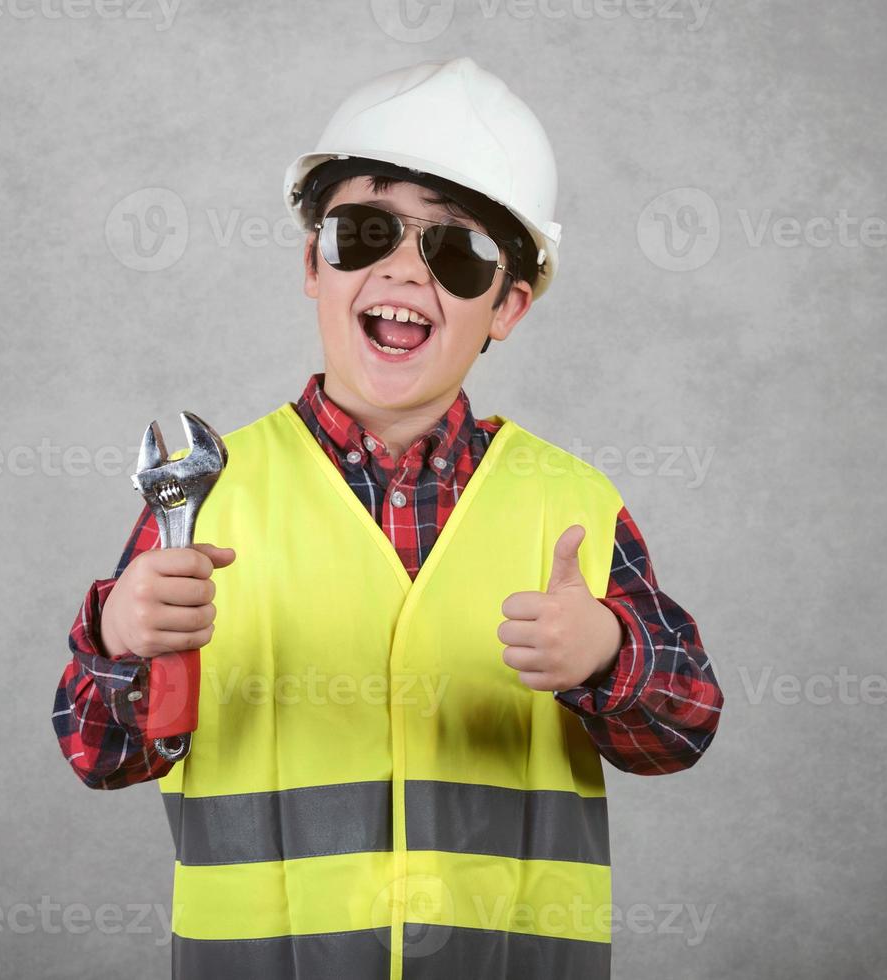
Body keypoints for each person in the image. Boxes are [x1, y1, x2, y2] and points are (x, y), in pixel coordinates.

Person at [53, 56, 723, 980]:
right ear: (312, 263)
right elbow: (100, 753)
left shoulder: (574, 504)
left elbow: (684, 727)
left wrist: (610, 652)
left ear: (509, 306)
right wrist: (121, 637)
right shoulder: (203, 495)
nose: (404, 267)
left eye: (458, 251)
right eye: (364, 232)